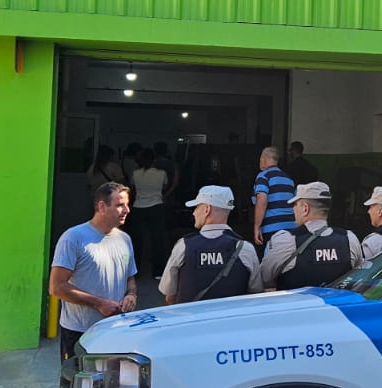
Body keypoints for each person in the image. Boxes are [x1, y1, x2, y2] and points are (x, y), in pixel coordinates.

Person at [49, 182, 136, 362]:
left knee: (113, 379)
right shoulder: (73, 238)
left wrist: (131, 295)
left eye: (127, 205)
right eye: (120, 205)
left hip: (115, 329)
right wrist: (99, 303)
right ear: (102, 206)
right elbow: (56, 287)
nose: (127, 210)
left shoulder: (125, 239)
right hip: (80, 333)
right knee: (78, 379)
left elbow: (130, 278)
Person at [160, 185, 261, 304]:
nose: (194, 213)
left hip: (192, 316)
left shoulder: (184, 246)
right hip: (231, 316)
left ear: (207, 209)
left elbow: (170, 296)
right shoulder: (245, 248)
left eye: (197, 207)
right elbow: (256, 293)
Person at [262, 182, 366, 290]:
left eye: (295, 205)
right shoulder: (349, 239)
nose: (293, 209)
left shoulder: (286, 240)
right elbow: (359, 277)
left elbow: (265, 280)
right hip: (336, 301)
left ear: (305, 208)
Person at [128, 148, 171, 276]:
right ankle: (157, 271)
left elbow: (132, 188)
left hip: (138, 207)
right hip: (156, 206)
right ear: (154, 160)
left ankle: (135, 271)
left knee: (137, 240)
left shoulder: (135, 173)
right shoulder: (162, 173)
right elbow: (164, 186)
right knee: (157, 239)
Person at [252, 146, 296, 249]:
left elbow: (261, 199)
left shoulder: (263, 176)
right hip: (291, 228)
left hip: (271, 229)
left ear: (263, 160)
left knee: (269, 258)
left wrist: (256, 226)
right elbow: (296, 203)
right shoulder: (289, 179)